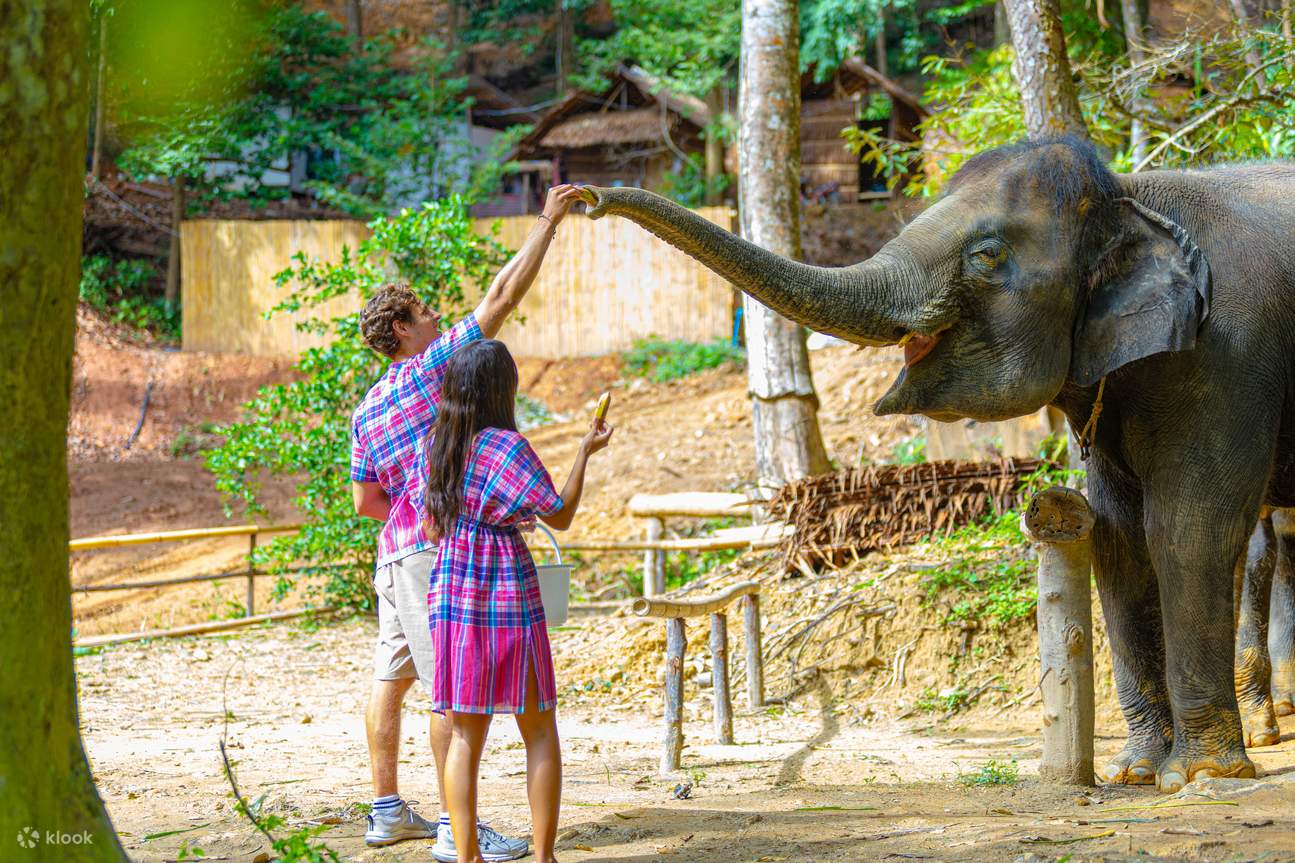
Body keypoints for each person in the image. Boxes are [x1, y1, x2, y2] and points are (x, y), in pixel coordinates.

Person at [350, 184, 585, 851]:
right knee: (451, 697)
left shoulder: (365, 409)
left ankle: (388, 806)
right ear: (401, 330)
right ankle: (459, 835)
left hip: (392, 553)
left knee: (390, 675)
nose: (436, 317)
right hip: (439, 548)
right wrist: (547, 220)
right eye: (424, 312)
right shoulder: (432, 370)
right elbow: (503, 296)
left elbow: (366, 502)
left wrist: (421, 494)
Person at [419, 339, 612, 863]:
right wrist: (583, 451)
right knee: (539, 727)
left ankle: (466, 858)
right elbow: (559, 513)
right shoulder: (508, 447)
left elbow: (429, 526)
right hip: (504, 585)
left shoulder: (436, 446)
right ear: (503, 388)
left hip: (452, 591)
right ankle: (545, 857)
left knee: (464, 736)